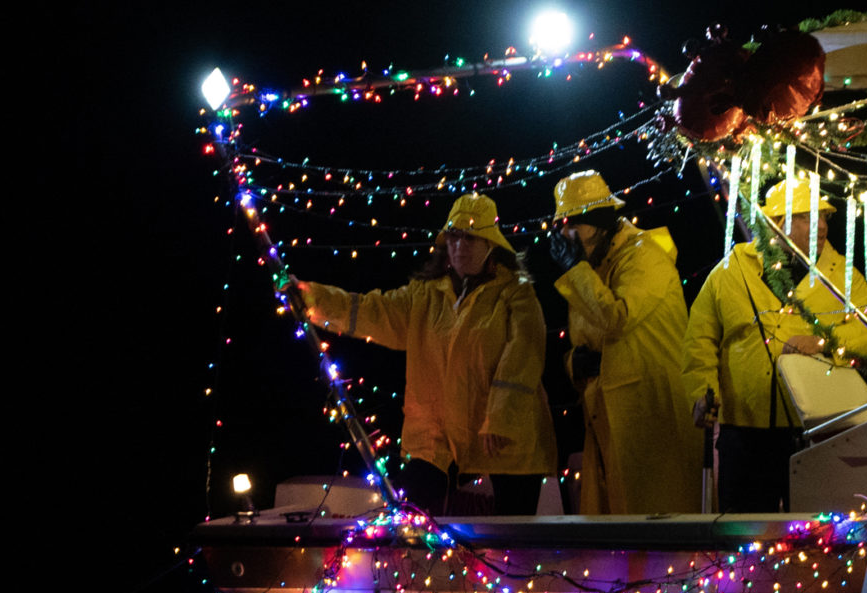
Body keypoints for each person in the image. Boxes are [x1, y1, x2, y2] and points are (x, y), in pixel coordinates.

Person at [299, 193, 553, 515]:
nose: (460, 245)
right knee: (417, 528)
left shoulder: (515, 292)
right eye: (455, 236)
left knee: (510, 540)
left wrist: (502, 416)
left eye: (471, 237)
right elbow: (375, 311)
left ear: (490, 244)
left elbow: (524, 354)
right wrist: (314, 300)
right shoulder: (425, 294)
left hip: (506, 439)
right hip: (434, 438)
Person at [684, 177, 867, 511]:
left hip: (814, 430)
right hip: (743, 432)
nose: (821, 226)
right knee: (743, 534)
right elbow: (699, 340)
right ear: (777, 224)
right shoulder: (731, 272)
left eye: (824, 216)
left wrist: (824, 342)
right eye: (807, 216)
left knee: (813, 532)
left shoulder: (842, 275)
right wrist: (702, 392)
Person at [536, 171, 699, 514]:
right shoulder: (593, 267)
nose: (566, 234)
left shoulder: (644, 255)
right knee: (614, 528)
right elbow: (590, 340)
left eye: (572, 223)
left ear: (598, 223)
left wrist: (575, 269)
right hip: (608, 417)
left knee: (655, 525)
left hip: (650, 416)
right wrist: (573, 364)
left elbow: (617, 318)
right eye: (562, 225)